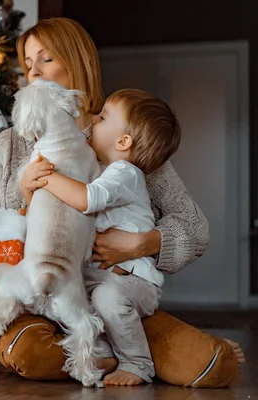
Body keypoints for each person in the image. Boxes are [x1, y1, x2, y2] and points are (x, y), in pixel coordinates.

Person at [0, 17, 245, 383]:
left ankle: (132, 351)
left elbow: (194, 229)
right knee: (28, 352)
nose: (34, 73)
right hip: (44, 305)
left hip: (115, 299)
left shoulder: (120, 135)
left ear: (77, 63)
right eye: (28, 64)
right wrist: (24, 191)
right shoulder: (11, 144)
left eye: (46, 59)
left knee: (213, 366)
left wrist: (142, 243)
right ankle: (117, 352)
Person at [37, 88, 180, 385]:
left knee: (107, 298)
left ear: (123, 141)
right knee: (60, 294)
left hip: (134, 281)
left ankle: (137, 363)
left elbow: (88, 199)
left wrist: (45, 175)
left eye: (102, 118)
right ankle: (102, 351)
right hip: (100, 276)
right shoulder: (102, 169)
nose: (93, 121)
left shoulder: (125, 173)